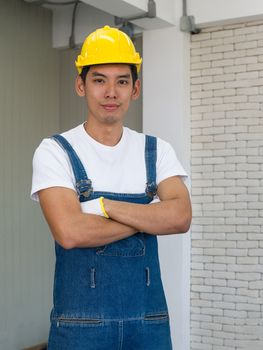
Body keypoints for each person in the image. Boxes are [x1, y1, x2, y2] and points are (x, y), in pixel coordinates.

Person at [31, 25, 192, 350]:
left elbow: (180, 217)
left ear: (135, 89)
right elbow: (70, 232)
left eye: (122, 81)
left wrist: (105, 207)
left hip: (149, 326)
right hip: (79, 329)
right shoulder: (55, 150)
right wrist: (148, 216)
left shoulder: (156, 150)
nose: (111, 93)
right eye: (99, 80)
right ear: (81, 85)